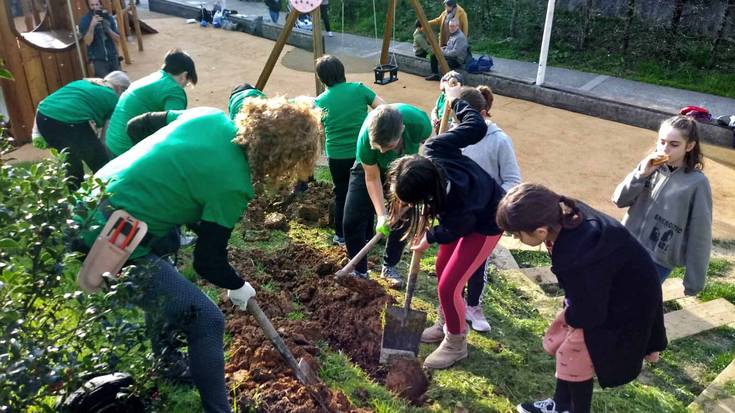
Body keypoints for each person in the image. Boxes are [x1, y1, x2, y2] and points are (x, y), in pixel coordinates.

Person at [79, 99, 323, 413]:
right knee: (208, 321)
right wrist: (237, 285)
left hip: (91, 200)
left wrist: (164, 180)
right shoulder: (235, 184)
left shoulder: (207, 116)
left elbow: (136, 126)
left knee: (166, 261)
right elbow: (207, 261)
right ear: (282, 158)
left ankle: (167, 362)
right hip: (109, 240)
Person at [497, 183, 667, 413]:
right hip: (614, 290)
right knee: (567, 348)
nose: (516, 238)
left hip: (623, 305)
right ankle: (560, 404)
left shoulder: (577, 253)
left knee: (572, 354)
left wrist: (572, 316)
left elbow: (591, 314)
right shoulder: (568, 214)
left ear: (540, 231)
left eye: (517, 234)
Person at [385, 95, 505, 369]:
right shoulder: (436, 148)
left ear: (428, 194)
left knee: (450, 285)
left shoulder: (457, 201)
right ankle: (447, 321)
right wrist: (457, 99)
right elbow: (475, 126)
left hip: (486, 222)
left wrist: (431, 236)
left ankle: (456, 342)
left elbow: (458, 227)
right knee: (442, 268)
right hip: (460, 217)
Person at [612, 115, 712, 296]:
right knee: (611, 294)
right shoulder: (649, 166)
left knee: (633, 304)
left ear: (689, 146)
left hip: (658, 260)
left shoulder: (697, 184)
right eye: (662, 142)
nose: (665, 149)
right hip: (626, 245)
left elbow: (701, 235)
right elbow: (619, 200)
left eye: (674, 144)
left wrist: (694, 282)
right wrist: (641, 175)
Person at [342, 103, 432, 288]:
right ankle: (360, 271)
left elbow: (426, 147)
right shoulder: (366, 139)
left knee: (403, 219)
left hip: (403, 169)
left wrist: (402, 196)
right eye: (379, 148)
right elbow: (372, 178)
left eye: (388, 147)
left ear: (403, 131)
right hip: (369, 169)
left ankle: (389, 265)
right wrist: (382, 215)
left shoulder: (419, 123)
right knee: (351, 220)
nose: (383, 152)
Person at [460, 85, 521, 332]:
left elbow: (513, 181)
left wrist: (491, 204)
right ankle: (454, 304)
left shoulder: (499, 141)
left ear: (483, 114)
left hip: (485, 217)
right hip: (458, 214)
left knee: (477, 263)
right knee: (454, 263)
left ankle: (473, 306)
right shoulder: (456, 135)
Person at [314, 55, 384, 247]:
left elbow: (317, 128)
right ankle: (368, 234)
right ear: (342, 71)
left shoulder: (319, 101)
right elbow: (383, 109)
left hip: (336, 155)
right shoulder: (359, 89)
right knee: (367, 191)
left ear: (322, 78)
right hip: (363, 153)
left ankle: (341, 235)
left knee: (342, 192)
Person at [34, 71, 130, 189]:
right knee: (101, 164)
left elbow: (45, 103)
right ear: (120, 88)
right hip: (69, 122)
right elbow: (107, 136)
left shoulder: (83, 83)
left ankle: (75, 200)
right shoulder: (113, 98)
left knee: (72, 164)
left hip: (43, 117)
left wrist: (36, 133)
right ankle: (110, 197)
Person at [105, 48, 197, 158]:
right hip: (127, 151)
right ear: (183, 76)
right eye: (186, 83)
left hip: (111, 143)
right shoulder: (174, 90)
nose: (183, 87)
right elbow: (175, 129)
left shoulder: (152, 78)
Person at [79, 0, 121, 77]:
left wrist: (108, 29)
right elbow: (88, 42)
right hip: (98, 60)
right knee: (104, 86)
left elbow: (118, 39)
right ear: (89, 7)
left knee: (119, 84)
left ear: (100, 5)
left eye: (96, 4)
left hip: (113, 57)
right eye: (92, 5)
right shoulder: (85, 20)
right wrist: (92, 26)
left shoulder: (108, 17)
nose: (95, 7)